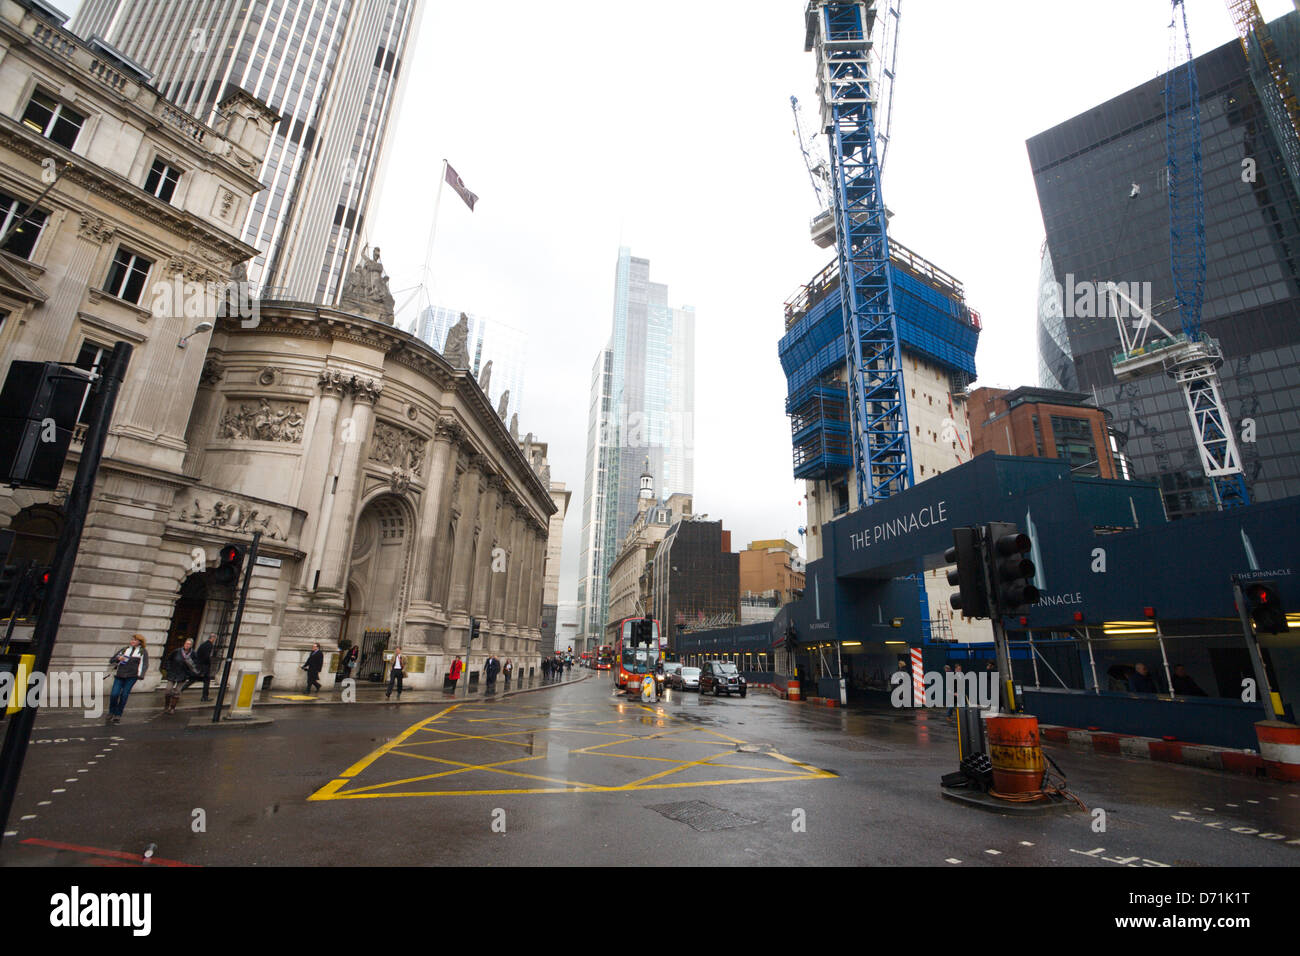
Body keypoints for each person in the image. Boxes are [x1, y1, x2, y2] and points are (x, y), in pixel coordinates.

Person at [107, 634, 148, 725]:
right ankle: (111, 711)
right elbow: (112, 660)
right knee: (114, 694)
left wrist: (140, 675)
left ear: (139, 642)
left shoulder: (142, 651)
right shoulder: (125, 649)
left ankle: (118, 714)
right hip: (119, 675)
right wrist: (118, 658)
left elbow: (144, 664)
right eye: (132, 639)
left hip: (131, 677)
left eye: (135, 640)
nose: (132, 641)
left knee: (124, 695)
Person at [163, 637, 200, 714]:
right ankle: (166, 706)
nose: (187, 645)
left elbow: (195, 665)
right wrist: (168, 668)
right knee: (168, 690)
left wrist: (189, 673)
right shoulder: (177, 651)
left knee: (177, 692)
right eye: (186, 643)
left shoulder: (193, 654)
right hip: (173, 673)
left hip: (183, 674)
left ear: (191, 645)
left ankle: (172, 708)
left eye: (189, 644)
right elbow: (169, 659)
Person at [193, 633, 216, 701]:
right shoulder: (209, 645)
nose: (214, 640)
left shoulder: (204, 644)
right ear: (213, 638)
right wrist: (208, 663)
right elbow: (206, 656)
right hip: (204, 666)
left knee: (206, 681)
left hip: (200, 665)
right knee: (194, 680)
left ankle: (205, 696)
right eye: (214, 638)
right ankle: (204, 697)